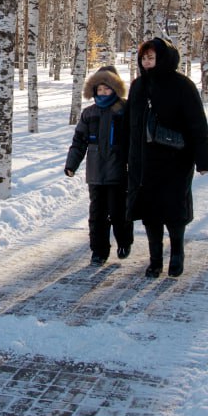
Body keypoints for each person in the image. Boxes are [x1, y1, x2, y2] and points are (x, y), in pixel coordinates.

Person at [126, 37, 208, 278]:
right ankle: (155, 260)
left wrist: (203, 160)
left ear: (163, 58)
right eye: (143, 58)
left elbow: (197, 124)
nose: (146, 62)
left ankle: (177, 254)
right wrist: (125, 156)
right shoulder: (138, 86)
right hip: (143, 162)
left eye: (151, 57)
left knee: (174, 211)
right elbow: (129, 124)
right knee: (150, 213)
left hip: (175, 161)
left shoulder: (182, 85)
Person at [65, 65, 134, 266]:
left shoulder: (124, 109)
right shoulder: (89, 113)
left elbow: (134, 139)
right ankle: (98, 251)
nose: (103, 93)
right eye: (100, 89)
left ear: (115, 88)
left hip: (119, 172)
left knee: (119, 211)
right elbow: (79, 141)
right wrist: (72, 164)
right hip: (95, 173)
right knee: (97, 215)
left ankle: (124, 242)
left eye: (107, 89)